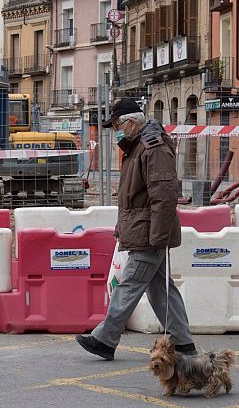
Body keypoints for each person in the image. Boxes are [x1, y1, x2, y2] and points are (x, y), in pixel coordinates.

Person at [76, 98, 196, 361]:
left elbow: (163, 194)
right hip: (146, 229)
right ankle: (183, 342)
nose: (116, 131)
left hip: (150, 233)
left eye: (117, 125)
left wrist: (158, 236)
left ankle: (104, 339)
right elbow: (133, 198)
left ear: (131, 122)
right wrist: (123, 227)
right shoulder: (137, 147)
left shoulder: (152, 148)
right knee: (160, 289)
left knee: (128, 285)